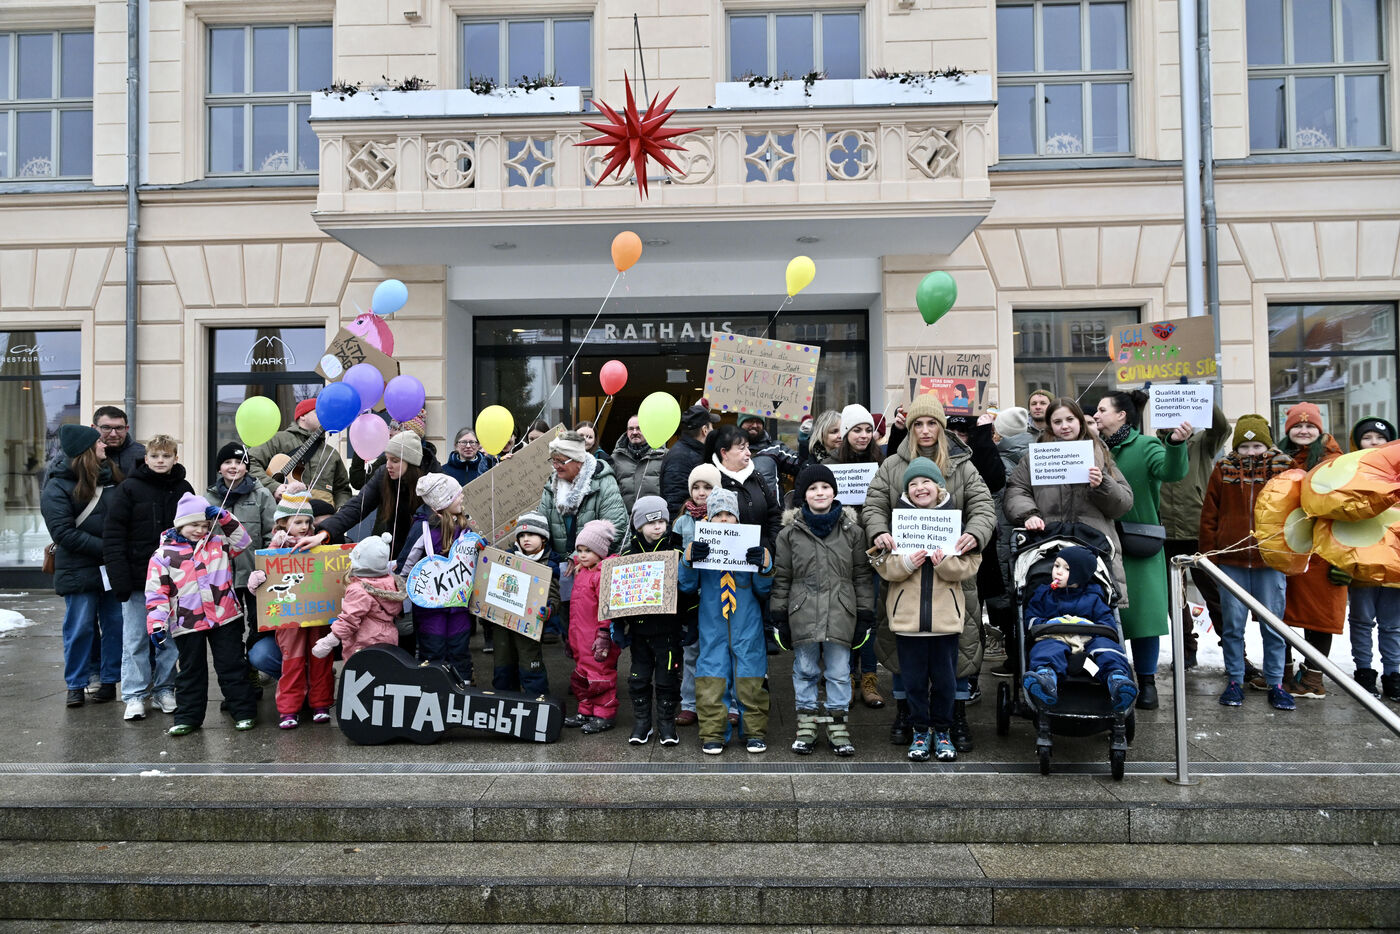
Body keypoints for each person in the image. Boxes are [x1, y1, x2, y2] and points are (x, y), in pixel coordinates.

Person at [863, 393, 996, 749]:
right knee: (902, 647)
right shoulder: (892, 465)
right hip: (905, 574)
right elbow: (873, 505)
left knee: (959, 649)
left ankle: (955, 716)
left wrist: (975, 533)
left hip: (952, 575)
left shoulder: (962, 465)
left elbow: (984, 507)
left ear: (941, 426)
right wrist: (879, 532)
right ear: (910, 428)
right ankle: (907, 712)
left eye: (931, 423)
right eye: (918, 424)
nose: (924, 430)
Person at [1002, 397, 1134, 674]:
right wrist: (1029, 514)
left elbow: (1123, 503)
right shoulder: (1035, 456)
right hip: (1048, 549)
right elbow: (1016, 491)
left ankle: (1107, 671)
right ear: (1049, 425)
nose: (1064, 426)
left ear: (1080, 421)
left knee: (1095, 612)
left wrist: (1103, 484)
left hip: (1092, 550)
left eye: (1070, 419)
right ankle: (1047, 669)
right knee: (1047, 610)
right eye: (1057, 421)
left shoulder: (1100, 453)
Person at [870, 458, 981, 762]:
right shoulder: (898, 524)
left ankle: (942, 731)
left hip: (945, 621)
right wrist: (906, 563)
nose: (920, 488)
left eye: (926, 482)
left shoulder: (955, 524)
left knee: (945, 682)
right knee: (914, 682)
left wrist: (945, 563)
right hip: (908, 621)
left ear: (938, 487)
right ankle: (920, 730)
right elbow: (882, 565)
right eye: (913, 484)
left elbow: (970, 564)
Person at [1093, 389, 1192, 710]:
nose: (1096, 415)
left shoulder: (1146, 445)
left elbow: (1172, 472)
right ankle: (1114, 677)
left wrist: (1175, 443)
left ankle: (1147, 682)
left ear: (1122, 415)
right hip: (1101, 543)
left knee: (1145, 618)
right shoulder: (1091, 448)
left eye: (1102, 410)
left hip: (1139, 542)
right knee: (1106, 616)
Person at [770, 463, 874, 756]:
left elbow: (861, 576)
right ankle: (807, 724)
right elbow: (782, 577)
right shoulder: (789, 534)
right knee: (805, 670)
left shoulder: (853, 532)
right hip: (802, 610)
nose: (820, 492)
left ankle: (837, 726)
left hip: (841, 610)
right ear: (803, 495)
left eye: (825, 487)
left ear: (834, 491)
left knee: (839, 671)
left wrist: (865, 613)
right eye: (813, 488)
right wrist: (779, 615)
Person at [1198, 414, 1296, 711]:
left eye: (1257, 446)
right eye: (1244, 447)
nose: (1251, 452)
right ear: (1236, 448)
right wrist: (1210, 556)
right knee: (1232, 626)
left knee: (1273, 626)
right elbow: (1210, 515)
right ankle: (1235, 680)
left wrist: (1292, 553)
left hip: (1270, 561)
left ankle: (1276, 683)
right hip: (1232, 561)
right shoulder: (1223, 469)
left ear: (1267, 446)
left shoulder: (1286, 470)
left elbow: (1298, 514)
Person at [145, 493, 258, 735]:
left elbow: (243, 541)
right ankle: (188, 717)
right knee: (190, 670)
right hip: (187, 621)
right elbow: (156, 593)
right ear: (180, 524)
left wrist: (225, 518)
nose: (200, 530)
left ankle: (244, 712)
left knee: (232, 666)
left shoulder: (218, 543)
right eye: (194, 525)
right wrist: (156, 623)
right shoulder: (163, 555)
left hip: (224, 615)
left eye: (205, 525)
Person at [102, 433, 193, 721]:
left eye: (166, 456)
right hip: (137, 578)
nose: (160, 461)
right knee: (136, 639)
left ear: (175, 458)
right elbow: (113, 535)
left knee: (169, 640)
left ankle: (165, 689)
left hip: (174, 579)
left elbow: (195, 531)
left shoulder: (183, 488)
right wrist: (119, 578)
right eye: (155, 456)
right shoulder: (129, 488)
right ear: (146, 458)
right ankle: (135, 694)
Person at [679, 489, 774, 754]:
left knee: (750, 678)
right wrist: (688, 561)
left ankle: (754, 731)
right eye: (718, 514)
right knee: (712, 677)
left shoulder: (750, 544)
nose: (723, 519)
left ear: (737, 518)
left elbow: (764, 590)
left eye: (729, 514)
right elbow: (687, 586)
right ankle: (713, 733)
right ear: (709, 518)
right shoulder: (700, 545)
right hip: (713, 627)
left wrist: (764, 567)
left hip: (747, 626)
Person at [41, 424, 125, 708]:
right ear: (86, 451)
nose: (104, 445)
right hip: (77, 568)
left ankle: (109, 680)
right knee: (80, 628)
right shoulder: (56, 486)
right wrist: (108, 548)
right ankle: (76, 685)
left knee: (115, 624)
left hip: (111, 568)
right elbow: (63, 533)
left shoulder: (113, 477)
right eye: (98, 442)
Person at [247, 490, 335, 729]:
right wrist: (256, 582)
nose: (304, 527)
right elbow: (266, 585)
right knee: (292, 662)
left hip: (317, 614)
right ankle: (289, 709)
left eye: (307, 521)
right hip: (288, 619)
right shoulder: (274, 549)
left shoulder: (320, 543)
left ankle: (321, 704)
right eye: (298, 522)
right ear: (283, 523)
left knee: (320, 659)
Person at [944, 410, 1007, 746]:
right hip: (933, 547)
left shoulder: (975, 457)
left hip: (971, 549)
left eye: (963, 430)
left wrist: (982, 434)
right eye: (951, 430)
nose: (957, 436)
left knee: (971, 616)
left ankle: (967, 679)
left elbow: (994, 479)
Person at [1278, 402, 1346, 699]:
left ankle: (1313, 678)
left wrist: (1345, 558)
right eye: (1297, 426)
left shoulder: (1335, 462)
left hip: (1324, 549)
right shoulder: (1279, 458)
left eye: (1310, 426)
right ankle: (1281, 672)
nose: (1303, 431)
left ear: (1319, 429)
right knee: (1280, 613)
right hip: (1288, 546)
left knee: (1319, 616)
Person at [1020, 546, 1138, 712]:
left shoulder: (1094, 596)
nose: (1058, 572)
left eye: (1066, 569)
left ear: (1080, 574)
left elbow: (1108, 624)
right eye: (1056, 566)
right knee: (1046, 648)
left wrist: (1088, 625)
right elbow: (1030, 619)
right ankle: (1046, 679)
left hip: (1089, 649)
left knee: (1106, 647)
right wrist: (1050, 623)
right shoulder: (1043, 594)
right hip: (1055, 637)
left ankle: (1117, 680)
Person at [1159, 405, 1230, 669]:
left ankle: (1235, 653)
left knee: (1215, 595)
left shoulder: (1202, 442)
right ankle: (1186, 650)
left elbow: (1222, 427)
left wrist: (1203, 401)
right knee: (1173, 599)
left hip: (1199, 530)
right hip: (1165, 532)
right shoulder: (1154, 446)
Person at [825, 404, 886, 708]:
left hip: (874, 553)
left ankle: (869, 678)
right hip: (842, 553)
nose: (863, 435)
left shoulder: (882, 463)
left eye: (867, 430)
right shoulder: (829, 465)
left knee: (871, 615)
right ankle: (846, 676)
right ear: (846, 433)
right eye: (856, 430)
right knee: (845, 617)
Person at [615, 495, 686, 745]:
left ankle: (666, 724)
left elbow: (686, 590)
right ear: (639, 526)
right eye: (651, 522)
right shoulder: (628, 554)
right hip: (639, 630)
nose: (658, 526)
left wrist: (689, 621)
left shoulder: (675, 550)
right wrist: (617, 625)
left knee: (667, 679)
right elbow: (618, 594)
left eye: (661, 521)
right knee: (638, 678)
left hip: (668, 629)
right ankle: (642, 723)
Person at [397, 473, 476, 682]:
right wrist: (400, 594)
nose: (462, 497)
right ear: (443, 501)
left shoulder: (466, 526)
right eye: (457, 495)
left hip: (459, 604)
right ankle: (433, 685)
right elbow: (406, 564)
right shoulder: (423, 528)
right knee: (433, 648)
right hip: (430, 607)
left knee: (460, 647)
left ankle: (463, 685)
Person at [203, 441, 277, 662]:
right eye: (227, 462)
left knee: (259, 624)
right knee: (230, 628)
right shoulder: (208, 498)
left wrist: (266, 567)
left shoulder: (262, 495)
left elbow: (272, 533)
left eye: (239, 462)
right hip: (222, 577)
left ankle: (254, 666)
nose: (233, 466)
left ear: (247, 467)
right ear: (219, 468)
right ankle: (238, 671)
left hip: (255, 575)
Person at [303, 431, 429, 558]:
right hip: (393, 550)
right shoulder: (383, 475)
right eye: (387, 459)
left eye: (395, 461)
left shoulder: (432, 480)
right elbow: (358, 505)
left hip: (427, 551)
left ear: (411, 463)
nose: (388, 465)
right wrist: (324, 532)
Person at [1346, 417, 1400, 700]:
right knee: (1361, 620)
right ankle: (1364, 672)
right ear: (1358, 442)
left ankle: (1394, 674)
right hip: (1362, 558)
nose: (1374, 442)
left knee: (1392, 624)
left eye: (1380, 438)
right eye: (1367, 438)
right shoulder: (1347, 471)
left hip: (1394, 559)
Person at [988, 406, 1034, 676]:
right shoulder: (1039, 453)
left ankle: (1016, 660)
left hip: (1006, 537)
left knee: (1008, 597)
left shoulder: (1002, 460)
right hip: (1030, 537)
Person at [563, 519, 621, 733]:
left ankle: (604, 714)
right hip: (580, 638)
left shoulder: (602, 575)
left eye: (588, 550)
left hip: (597, 640)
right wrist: (571, 638)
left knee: (600, 677)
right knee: (582, 677)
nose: (582, 555)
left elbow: (606, 609)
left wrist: (604, 634)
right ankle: (586, 710)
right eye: (579, 550)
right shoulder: (582, 573)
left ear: (600, 551)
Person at [673, 463, 720, 728]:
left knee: (718, 651)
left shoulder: (724, 519)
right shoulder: (682, 522)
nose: (701, 492)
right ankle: (689, 703)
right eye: (696, 487)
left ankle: (721, 701)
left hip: (717, 594)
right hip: (690, 597)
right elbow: (674, 556)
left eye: (708, 487)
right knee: (691, 651)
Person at [312, 533, 406, 663]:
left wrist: (328, 642)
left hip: (364, 643)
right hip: (388, 639)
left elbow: (349, 621)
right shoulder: (390, 582)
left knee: (361, 674)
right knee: (383, 672)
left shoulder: (359, 590)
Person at [538, 429, 631, 560]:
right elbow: (541, 525)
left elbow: (615, 527)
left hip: (596, 565)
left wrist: (578, 557)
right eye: (553, 460)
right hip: (559, 565)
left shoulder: (603, 482)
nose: (555, 466)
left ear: (578, 460)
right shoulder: (552, 486)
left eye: (561, 461)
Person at [247, 397, 352, 507]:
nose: (324, 416)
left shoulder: (332, 453)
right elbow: (250, 464)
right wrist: (274, 487)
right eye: (318, 412)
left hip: (325, 515)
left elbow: (342, 489)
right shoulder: (277, 440)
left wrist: (340, 510)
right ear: (302, 416)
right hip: (284, 512)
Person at [496, 512, 557, 696]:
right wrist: (480, 548)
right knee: (503, 667)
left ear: (543, 537)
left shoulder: (550, 563)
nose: (525, 539)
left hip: (529, 627)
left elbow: (554, 595)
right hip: (503, 624)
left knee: (531, 666)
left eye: (531, 534)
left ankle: (537, 702)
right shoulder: (507, 557)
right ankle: (505, 702)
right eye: (521, 535)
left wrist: (549, 609)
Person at [706, 424, 783, 552]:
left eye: (748, 447)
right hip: (725, 557)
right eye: (742, 448)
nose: (748, 453)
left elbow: (775, 515)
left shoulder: (757, 477)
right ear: (724, 453)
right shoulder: (711, 480)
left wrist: (770, 546)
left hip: (761, 557)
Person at [659, 403, 719, 517]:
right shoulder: (680, 457)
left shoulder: (693, 452)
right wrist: (680, 526)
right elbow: (675, 503)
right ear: (705, 430)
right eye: (712, 428)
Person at [611, 415, 667, 511]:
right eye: (631, 429)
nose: (634, 432)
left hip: (655, 517)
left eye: (639, 428)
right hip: (625, 517)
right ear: (627, 432)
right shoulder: (615, 458)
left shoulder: (664, 456)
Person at [737, 414, 800, 498]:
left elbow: (801, 464)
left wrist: (804, 442)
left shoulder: (776, 449)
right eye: (750, 421)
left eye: (758, 422)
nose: (755, 425)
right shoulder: (729, 451)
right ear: (740, 423)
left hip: (772, 506)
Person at [91, 406, 147, 477]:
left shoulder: (142, 454)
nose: (113, 434)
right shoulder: (85, 454)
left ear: (126, 429)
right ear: (93, 428)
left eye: (119, 428)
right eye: (106, 428)